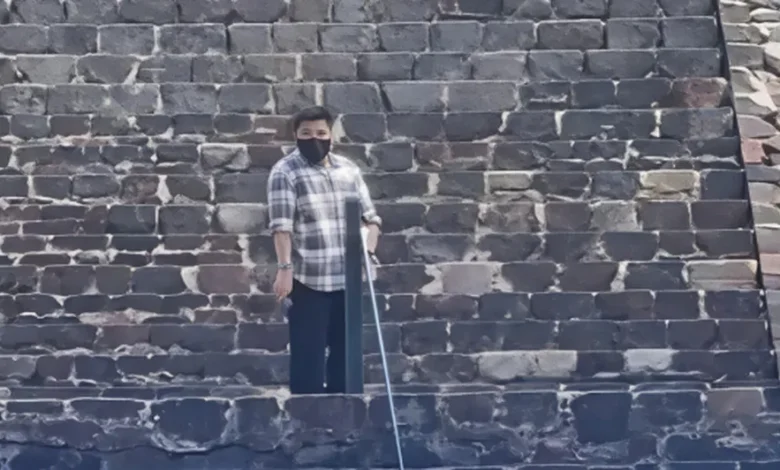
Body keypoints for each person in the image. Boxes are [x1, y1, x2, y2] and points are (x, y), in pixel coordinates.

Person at [266, 106, 382, 395]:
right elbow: (281, 226)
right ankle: (307, 417)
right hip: (310, 279)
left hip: (349, 278)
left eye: (321, 133)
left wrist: (368, 250)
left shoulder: (348, 170)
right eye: (306, 133)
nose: (314, 139)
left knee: (347, 358)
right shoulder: (285, 172)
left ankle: (346, 414)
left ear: (331, 135)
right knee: (309, 357)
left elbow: (371, 219)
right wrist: (284, 269)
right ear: (296, 135)